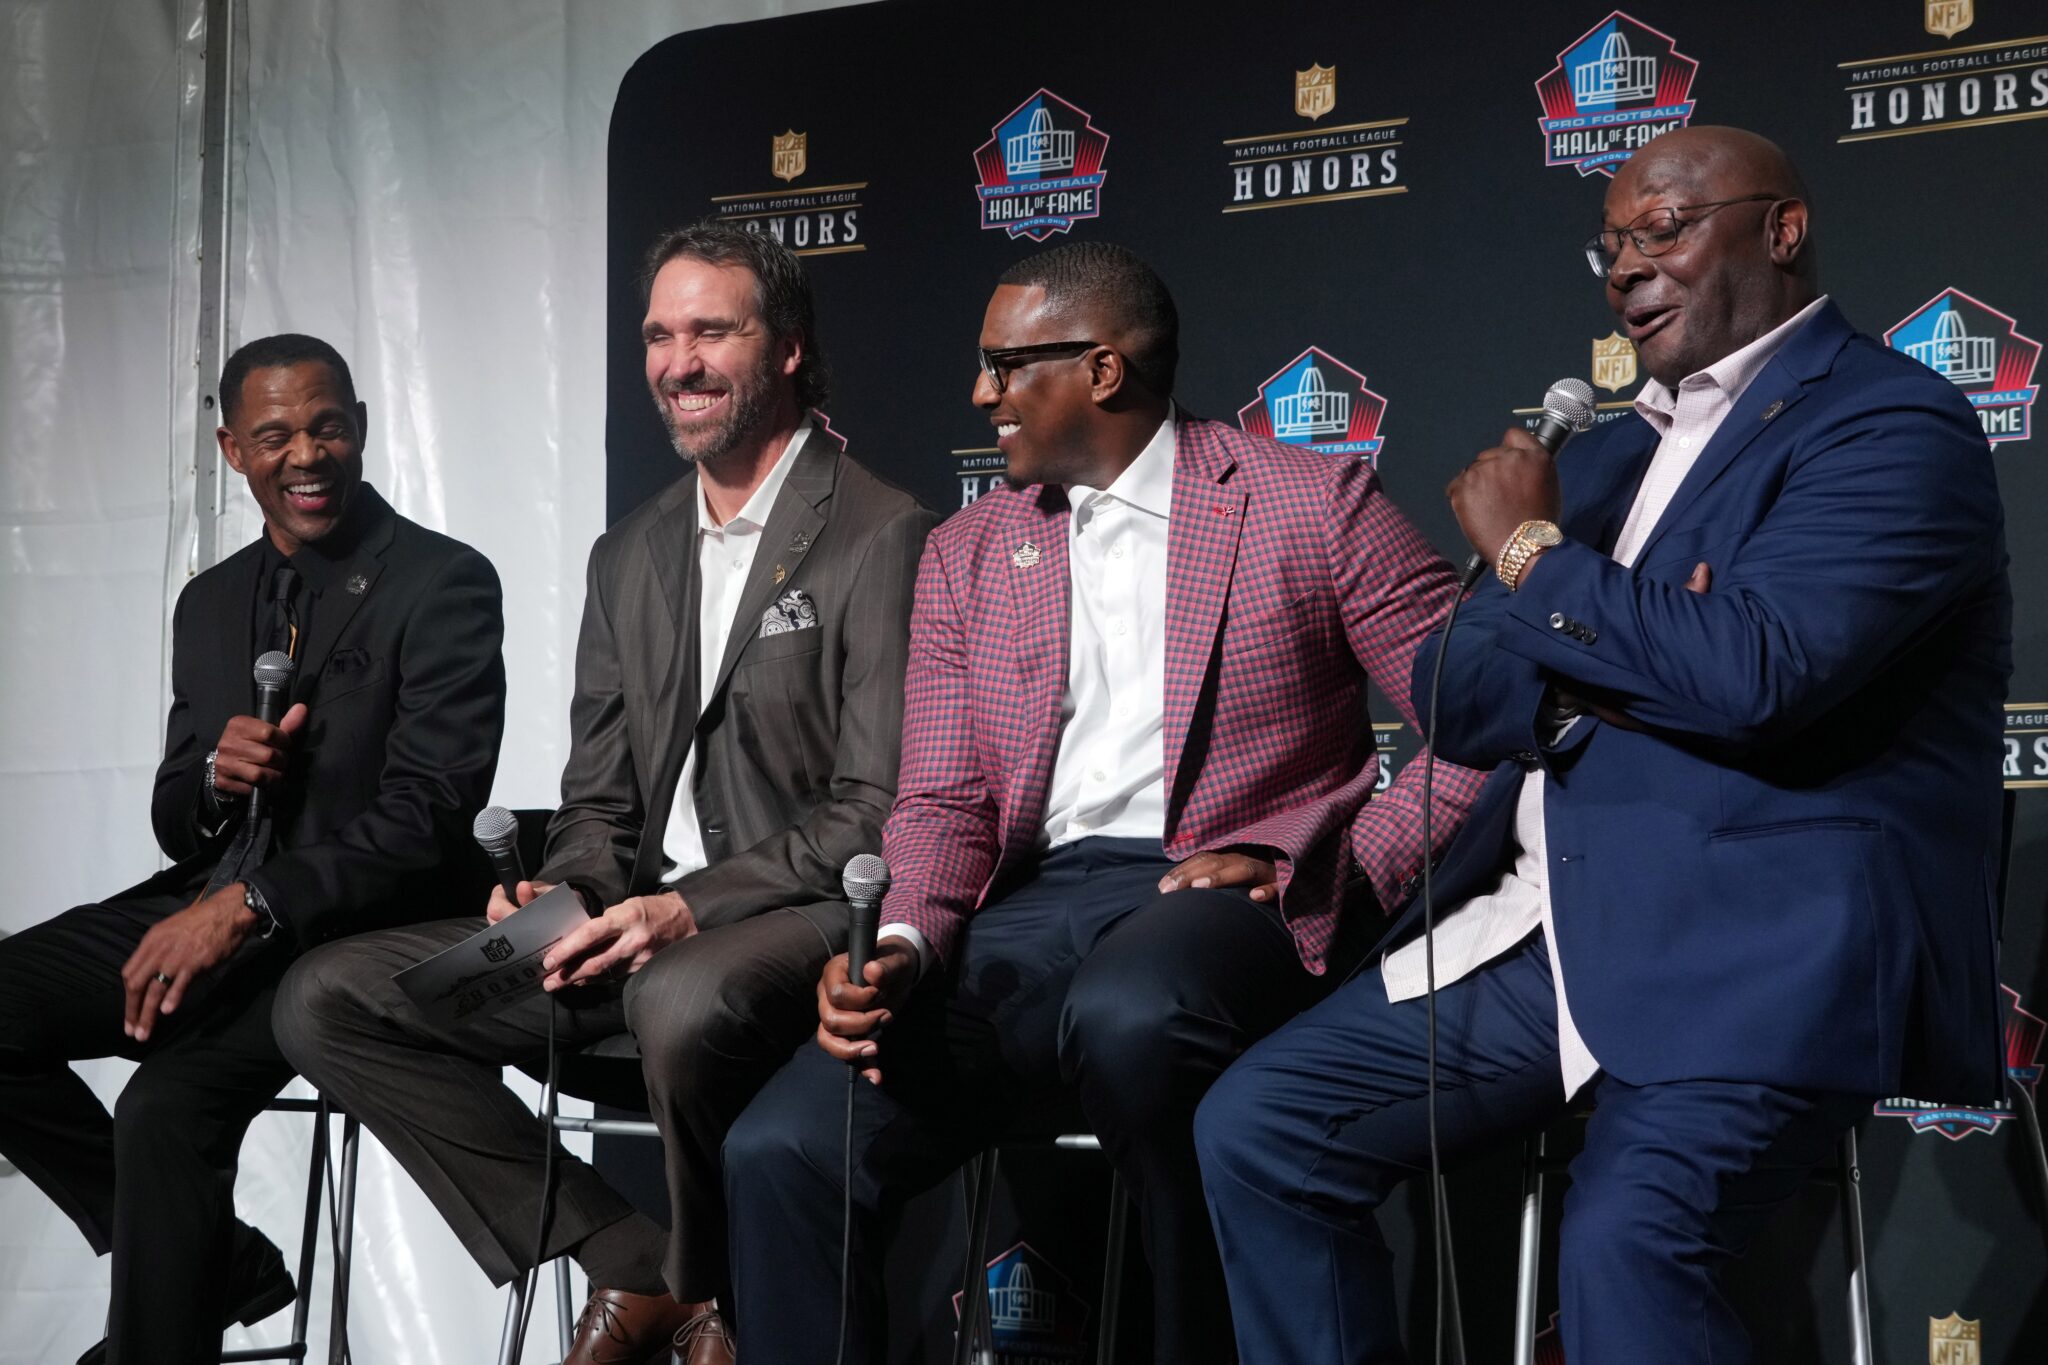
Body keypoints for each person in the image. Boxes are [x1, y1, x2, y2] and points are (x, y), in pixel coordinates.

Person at [1194, 125, 2012, 1365]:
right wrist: (1616, 662)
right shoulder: (1608, 452)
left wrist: (1534, 561)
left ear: (1780, 230)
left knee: (1627, 1243)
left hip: (1752, 947)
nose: (1626, 267)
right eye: (1612, 245)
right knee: (1259, 1127)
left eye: (1664, 230)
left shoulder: (1891, 423)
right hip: (1547, 933)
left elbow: (1752, 675)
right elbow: (1454, 693)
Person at [723, 241, 1485, 1363]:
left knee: (1133, 1013)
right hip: (1032, 914)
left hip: (1230, 896)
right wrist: (899, 943)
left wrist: (1334, 863)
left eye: (1003, 366)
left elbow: (1485, 713)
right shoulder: (967, 553)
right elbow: (939, 798)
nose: (980, 395)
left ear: (1103, 370)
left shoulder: (1307, 501)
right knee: (780, 1145)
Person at [274, 223, 934, 1365]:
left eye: (710, 331)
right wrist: (562, 892)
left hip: (791, 919)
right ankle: (640, 1264)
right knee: (326, 995)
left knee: (679, 1001)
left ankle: (725, 1300)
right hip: (633, 933)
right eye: (658, 335)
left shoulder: (883, 531)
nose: (678, 362)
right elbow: (599, 804)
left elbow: (870, 810)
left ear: (783, 349)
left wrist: (680, 910)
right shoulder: (624, 554)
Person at [0, 333, 508, 1365]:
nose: (306, 454)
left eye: (327, 426)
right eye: (275, 434)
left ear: (360, 429)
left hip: (349, 935)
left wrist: (251, 907)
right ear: (233, 450)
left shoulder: (441, 582)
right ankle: (218, 1264)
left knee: (160, 1113)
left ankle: (160, 1331)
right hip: (209, 901)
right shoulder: (212, 601)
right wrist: (211, 785)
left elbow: (428, 818)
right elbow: (175, 811)